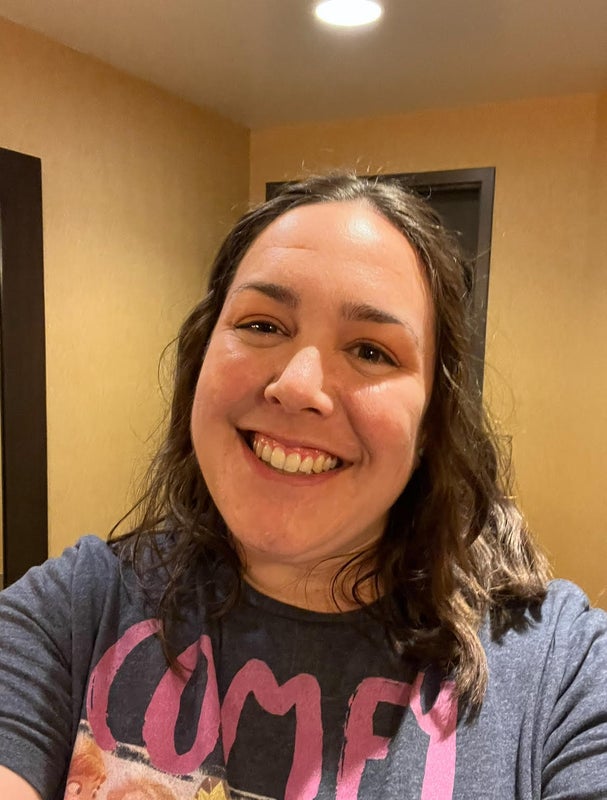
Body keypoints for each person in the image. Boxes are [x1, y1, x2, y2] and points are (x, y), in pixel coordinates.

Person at [0, 174, 605, 800]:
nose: (297, 385)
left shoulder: (564, 673)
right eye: (263, 325)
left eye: (371, 351)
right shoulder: (73, 613)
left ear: (431, 423)